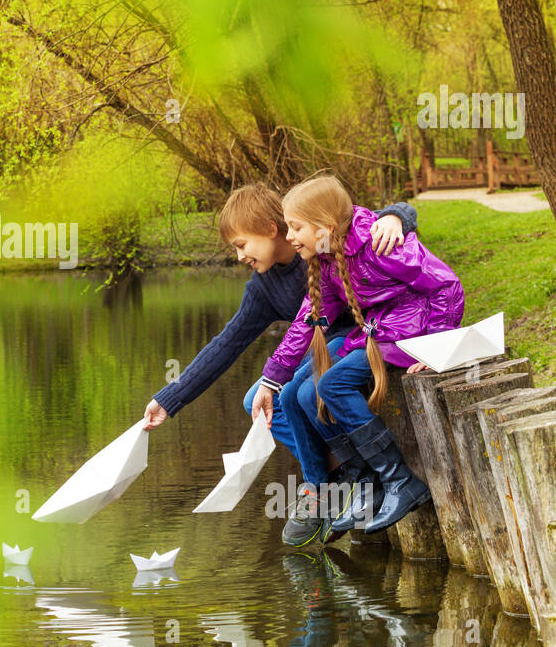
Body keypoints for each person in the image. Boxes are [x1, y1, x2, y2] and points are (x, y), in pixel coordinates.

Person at [142, 182, 417, 546]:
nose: (239, 256)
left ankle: (330, 482)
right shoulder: (263, 287)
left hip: (359, 336)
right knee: (254, 403)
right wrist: (170, 398)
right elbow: (226, 344)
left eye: (242, 245)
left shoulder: (314, 235)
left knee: (296, 394)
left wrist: (396, 217)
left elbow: (369, 220)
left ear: (271, 230)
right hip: (313, 349)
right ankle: (330, 476)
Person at [258, 175, 465, 536]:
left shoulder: (379, 242)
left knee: (333, 382)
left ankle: (400, 481)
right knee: (307, 392)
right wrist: (272, 377)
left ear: (323, 225)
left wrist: (436, 345)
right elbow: (308, 321)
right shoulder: (327, 260)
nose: (289, 237)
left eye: (296, 227)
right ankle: (367, 483)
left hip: (409, 332)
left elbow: (446, 285)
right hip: (379, 333)